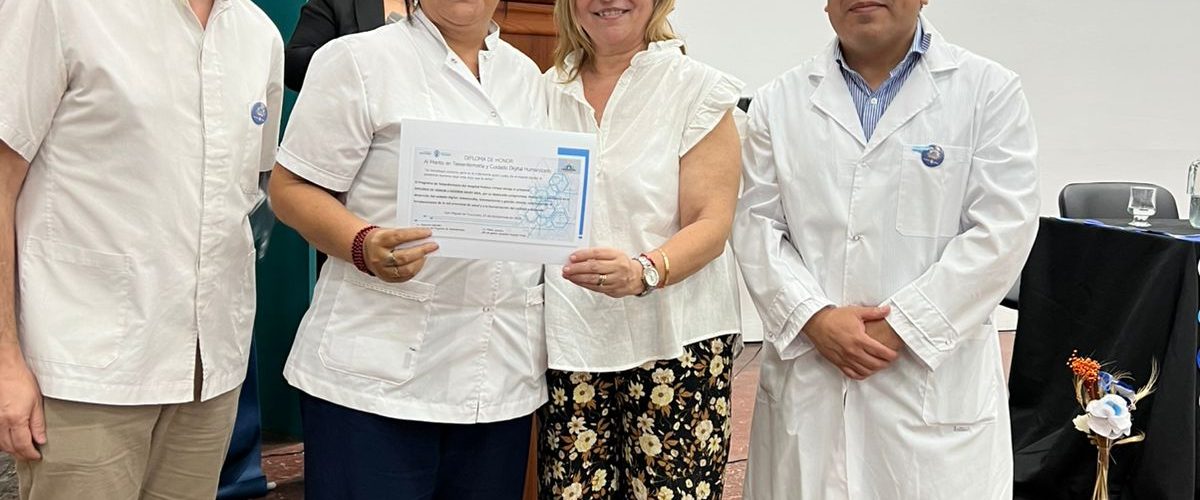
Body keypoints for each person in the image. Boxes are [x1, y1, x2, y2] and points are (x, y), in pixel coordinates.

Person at [732, 1, 1039, 498]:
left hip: (930, 388)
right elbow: (755, 225)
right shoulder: (777, 102)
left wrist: (904, 326)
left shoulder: (989, 91)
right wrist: (814, 318)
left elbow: (1003, 229)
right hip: (813, 374)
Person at [0, 0, 283, 498]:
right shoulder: (59, 8)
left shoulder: (258, 33)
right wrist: (4, 361)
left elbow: (244, 192)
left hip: (208, 378)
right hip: (83, 372)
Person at [268, 0, 547, 498]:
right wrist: (363, 243)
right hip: (373, 387)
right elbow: (291, 189)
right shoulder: (357, 59)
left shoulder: (526, 77)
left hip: (498, 380)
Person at [537, 1, 744, 498]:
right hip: (572, 342)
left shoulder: (696, 88)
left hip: (676, 340)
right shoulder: (542, 92)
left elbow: (711, 222)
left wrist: (643, 271)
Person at [285, 0, 408, 91]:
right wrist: (354, 56)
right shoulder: (340, 3)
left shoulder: (420, 12)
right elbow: (294, 65)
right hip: (353, 112)